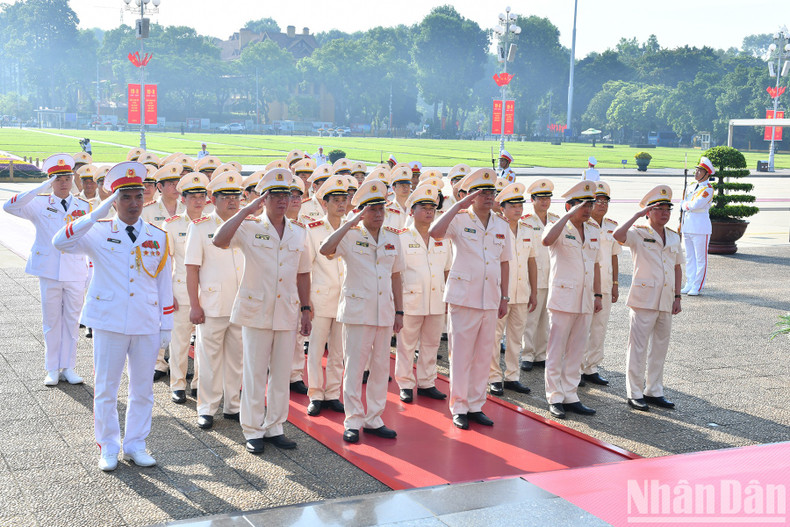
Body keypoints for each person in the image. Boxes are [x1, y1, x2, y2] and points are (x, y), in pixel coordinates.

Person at [52, 161, 173, 471]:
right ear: (114, 200)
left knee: (143, 388)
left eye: (137, 197)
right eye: (125, 197)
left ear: (145, 199)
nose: (133, 204)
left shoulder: (158, 236)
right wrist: (95, 213)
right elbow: (60, 241)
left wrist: (166, 325)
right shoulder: (99, 231)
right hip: (109, 321)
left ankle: (136, 444)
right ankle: (108, 445)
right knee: (106, 388)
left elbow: (163, 284)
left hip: (146, 322)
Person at [212, 169, 312, 454]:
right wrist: (245, 211)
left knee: (281, 373)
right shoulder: (251, 226)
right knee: (255, 372)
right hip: (256, 309)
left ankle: (275, 426)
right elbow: (219, 240)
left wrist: (306, 309)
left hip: (287, 310)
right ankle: (253, 429)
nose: (283, 200)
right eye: (276, 195)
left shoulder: (298, 232)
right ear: (264, 198)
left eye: (287, 194)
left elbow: (303, 274)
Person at [320, 179, 404, 444]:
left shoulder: (392, 237)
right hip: (357, 312)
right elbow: (325, 249)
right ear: (361, 211)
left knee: (380, 368)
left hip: (384, 312)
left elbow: (397, 276)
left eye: (381, 209)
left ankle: (375, 418)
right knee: (354, 369)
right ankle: (353, 420)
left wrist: (399, 312)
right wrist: (348, 223)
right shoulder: (350, 236)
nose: (378, 214)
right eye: (372, 209)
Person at [429, 168, 511, 430]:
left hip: (490, 297)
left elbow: (505, 262)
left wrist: (505, 297)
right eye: (482, 192)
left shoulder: (501, 224)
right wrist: (457, 205)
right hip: (463, 298)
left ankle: (476, 405)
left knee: (484, 355)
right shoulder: (460, 218)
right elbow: (435, 232)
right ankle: (459, 406)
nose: (488, 196)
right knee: (461, 355)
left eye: (491, 192)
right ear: (471, 196)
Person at [3, 154, 91, 386]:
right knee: (51, 321)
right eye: (58, 178)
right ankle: (52, 368)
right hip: (50, 270)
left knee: (72, 321)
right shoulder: (40, 203)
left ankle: (69, 366)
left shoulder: (83, 206)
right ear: (51, 180)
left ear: (73, 179)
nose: (63, 182)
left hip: (75, 270)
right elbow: (9, 206)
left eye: (67, 177)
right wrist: (41, 186)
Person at [613, 185, 683, 411]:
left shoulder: (672, 235)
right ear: (649, 211)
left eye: (667, 209)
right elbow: (618, 236)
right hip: (643, 298)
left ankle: (654, 390)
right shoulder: (639, 232)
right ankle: (634, 392)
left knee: (660, 347)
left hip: (665, 298)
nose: (664, 213)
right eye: (659, 208)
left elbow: (677, 267)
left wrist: (677, 296)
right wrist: (636, 215)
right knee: (638, 348)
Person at [184, 171, 245, 430]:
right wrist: (195, 305)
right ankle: (207, 408)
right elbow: (191, 268)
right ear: (214, 198)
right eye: (226, 197)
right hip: (211, 305)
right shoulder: (200, 227)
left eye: (236, 196)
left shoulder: (247, 225)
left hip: (241, 304)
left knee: (237, 359)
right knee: (208, 361)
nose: (232, 201)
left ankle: (233, 405)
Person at [540, 181, 603, 420]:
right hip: (563, 298)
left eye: (590, 204)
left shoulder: (594, 230)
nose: (588, 209)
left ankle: (571, 394)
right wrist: (567, 214)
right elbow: (546, 240)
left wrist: (598, 294)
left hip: (585, 298)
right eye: (582, 205)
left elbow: (595, 264)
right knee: (556, 349)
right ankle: (554, 396)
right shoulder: (559, 227)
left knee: (577, 349)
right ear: (569, 206)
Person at [395, 184, 451, 404]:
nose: (429, 212)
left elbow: (447, 269)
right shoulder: (400, 237)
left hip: (436, 298)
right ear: (412, 211)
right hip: (410, 299)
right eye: (424, 207)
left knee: (431, 344)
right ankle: (405, 383)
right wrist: (397, 305)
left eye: (432, 208)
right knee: (406, 344)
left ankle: (427, 382)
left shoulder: (442, 237)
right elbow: (396, 273)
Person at [304, 175, 349, 416]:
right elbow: (307, 266)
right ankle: (316, 394)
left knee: (338, 351)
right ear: (324, 203)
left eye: (344, 200)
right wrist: (307, 302)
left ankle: (332, 393)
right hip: (320, 297)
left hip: (344, 299)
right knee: (316, 348)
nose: (341, 205)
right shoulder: (313, 230)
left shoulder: (351, 228)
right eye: (336, 200)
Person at [164, 173, 209, 404]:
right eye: (193, 197)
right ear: (183, 199)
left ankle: (199, 384)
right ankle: (178, 384)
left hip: (208, 290)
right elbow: (166, 262)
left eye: (202, 196)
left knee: (204, 342)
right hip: (181, 288)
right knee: (180, 340)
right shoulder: (172, 225)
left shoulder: (212, 224)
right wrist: (167, 292)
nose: (198, 201)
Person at [488, 182, 536, 396]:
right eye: (513, 205)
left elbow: (532, 262)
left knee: (516, 336)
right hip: (499, 293)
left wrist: (534, 291)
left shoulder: (527, 229)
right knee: (495, 337)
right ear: (503, 208)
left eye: (520, 205)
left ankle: (512, 376)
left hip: (521, 292)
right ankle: (494, 377)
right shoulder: (495, 228)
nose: (518, 209)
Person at [143, 162, 187, 380]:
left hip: (181, 269)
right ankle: (159, 363)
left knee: (181, 320)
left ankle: (178, 361)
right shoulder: (149, 211)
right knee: (159, 317)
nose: (175, 186)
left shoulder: (187, 208)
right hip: (157, 270)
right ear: (159, 187)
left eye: (177, 182)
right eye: (170, 183)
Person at [581, 181, 621, 386]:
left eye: (605, 201)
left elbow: (614, 256)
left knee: (599, 327)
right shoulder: (583, 224)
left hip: (605, 283)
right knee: (582, 327)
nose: (602, 205)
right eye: (598, 201)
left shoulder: (612, 226)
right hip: (586, 283)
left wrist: (615, 283)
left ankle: (592, 367)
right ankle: (577, 366)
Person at [520, 179, 558, 371]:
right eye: (541, 198)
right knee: (531, 318)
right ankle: (527, 354)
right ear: (532, 200)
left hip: (552, 276)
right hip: (532, 277)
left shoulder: (555, 220)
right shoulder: (525, 221)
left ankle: (541, 354)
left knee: (545, 320)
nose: (545, 202)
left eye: (547, 198)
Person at [680, 156, 714, 296]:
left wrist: (685, 205)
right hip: (688, 226)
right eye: (696, 170)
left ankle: (697, 285)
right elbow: (685, 204)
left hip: (700, 228)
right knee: (689, 257)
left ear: (706, 174)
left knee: (701, 259)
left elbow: (694, 205)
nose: (696, 173)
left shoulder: (707, 189)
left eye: (700, 171)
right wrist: (685, 205)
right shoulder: (692, 187)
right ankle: (689, 282)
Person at [384, 164, 413, 230]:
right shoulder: (387, 210)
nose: (405, 188)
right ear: (394, 188)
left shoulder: (415, 208)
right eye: (402, 185)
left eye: (407, 185)